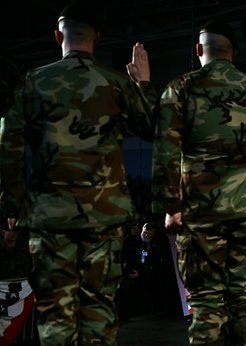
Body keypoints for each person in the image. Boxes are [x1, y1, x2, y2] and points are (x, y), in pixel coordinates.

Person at [0, 2, 155, 345]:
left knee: (56, 314)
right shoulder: (116, 83)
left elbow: (8, 147)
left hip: (49, 218)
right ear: (97, 38)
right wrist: (142, 83)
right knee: (99, 311)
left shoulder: (33, 82)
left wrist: (11, 208)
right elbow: (152, 127)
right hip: (105, 218)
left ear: (58, 36)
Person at [151, 19, 246, 345]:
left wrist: (169, 207)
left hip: (199, 210)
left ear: (198, 49)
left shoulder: (179, 88)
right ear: (233, 53)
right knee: (245, 296)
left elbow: (165, 150)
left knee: (206, 298)